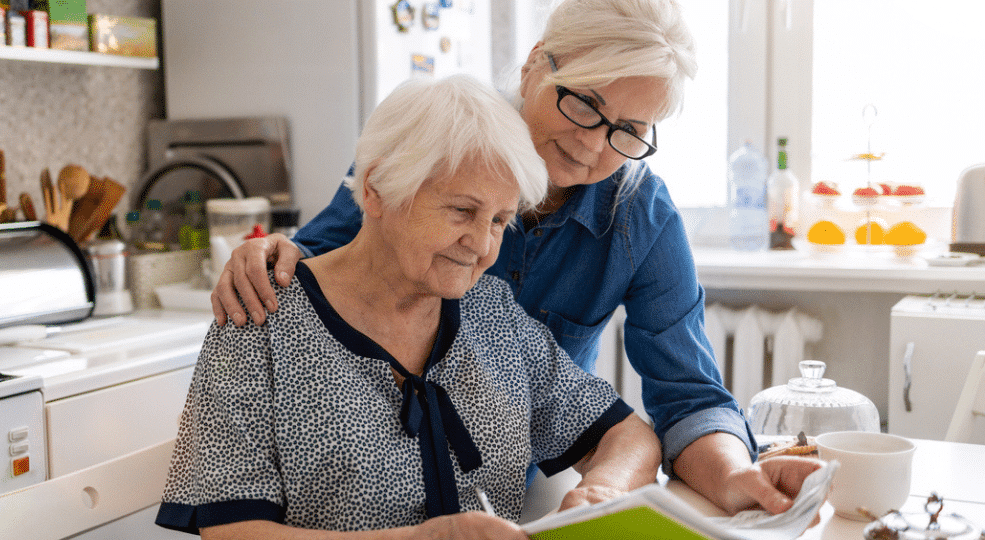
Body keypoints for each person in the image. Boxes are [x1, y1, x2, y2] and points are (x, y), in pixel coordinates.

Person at [210, 0, 822, 517]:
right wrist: (264, 254)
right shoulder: (432, 148)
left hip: (513, 487)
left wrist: (737, 476)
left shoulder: (640, 217)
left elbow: (688, 397)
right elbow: (322, 264)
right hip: (359, 492)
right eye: (583, 103)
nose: (589, 144)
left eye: (628, 130)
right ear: (535, 65)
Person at [156, 74, 661, 539]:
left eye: (499, 220)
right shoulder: (260, 318)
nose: (483, 246)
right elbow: (233, 532)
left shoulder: (493, 315)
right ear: (376, 189)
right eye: (463, 210)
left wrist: (603, 493)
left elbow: (628, 436)